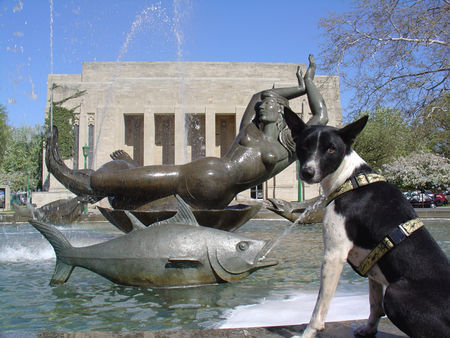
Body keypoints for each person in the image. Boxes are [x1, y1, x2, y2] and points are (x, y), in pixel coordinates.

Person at [46, 55, 328, 210]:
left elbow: (321, 115)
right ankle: (111, 179)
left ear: (279, 112)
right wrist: (299, 89)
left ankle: (88, 182)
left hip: (213, 177)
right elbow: (259, 93)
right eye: (264, 103)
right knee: (130, 200)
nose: (262, 106)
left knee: (166, 176)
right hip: (218, 193)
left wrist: (309, 82)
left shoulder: (289, 144)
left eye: (268, 104)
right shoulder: (251, 130)